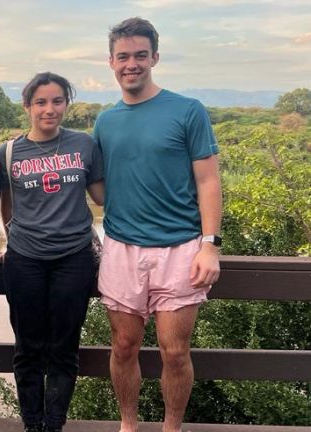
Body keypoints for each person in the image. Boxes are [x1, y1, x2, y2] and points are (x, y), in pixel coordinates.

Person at [93, 17, 222, 432]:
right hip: (121, 247)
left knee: (175, 352)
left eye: (140, 55)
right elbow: (99, 188)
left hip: (180, 248)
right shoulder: (104, 121)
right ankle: (128, 425)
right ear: (111, 62)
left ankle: (171, 427)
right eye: (123, 56)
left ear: (155, 58)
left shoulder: (188, 110)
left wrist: (210, 244)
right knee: (123, 346)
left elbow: (208, 181)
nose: (131, 64)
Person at [0, 72, 105, 432]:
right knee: (27, 347)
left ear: (66, 104)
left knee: (64, 345)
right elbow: (6, 204)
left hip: (73, 258)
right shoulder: (8, 152)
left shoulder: (84, 144)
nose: (49, 109)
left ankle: (54, 424)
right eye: (41, 102)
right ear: (27, 106)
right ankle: (32, 423)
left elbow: (101, 196)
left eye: (57, 101)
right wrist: (11, 239)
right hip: (25, 260)